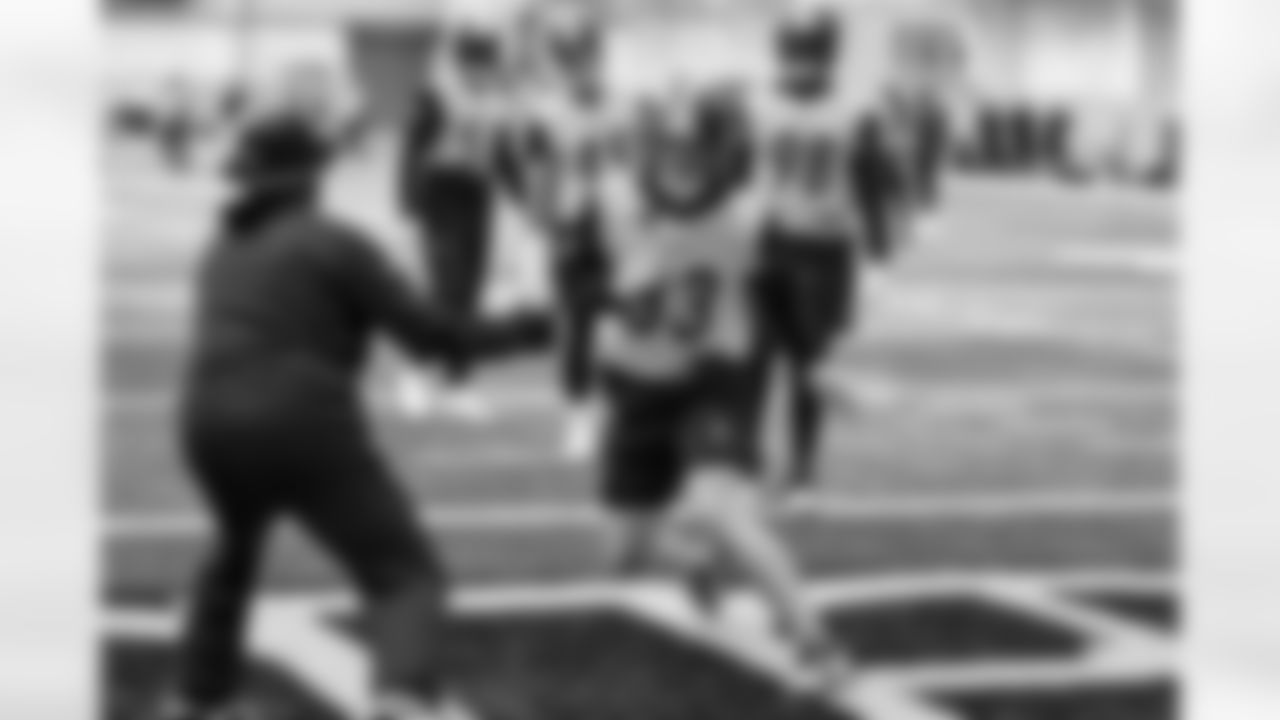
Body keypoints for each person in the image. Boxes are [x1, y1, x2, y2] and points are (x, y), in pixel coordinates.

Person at [159, 115, 550, 720]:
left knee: (234, 551)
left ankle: (198, 698)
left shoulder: (222, 247)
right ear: (313, 176)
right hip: (299, 418)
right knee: (404, 576)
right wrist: (529, 329)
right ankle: (402, 697)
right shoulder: (334, 242)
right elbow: (431, 336)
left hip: (204, 423)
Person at [592, 86, 854, 697]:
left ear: (724, 157)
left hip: (715, 380)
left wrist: (814, 366)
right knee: (620, 554)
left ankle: (815, 641)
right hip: (638, 387)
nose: (681, 167)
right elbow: (579, 278)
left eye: (695, 154)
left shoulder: (750, 221)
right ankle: (695, 562)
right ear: (648, 151)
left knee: (721, 508)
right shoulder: (613, 205)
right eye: (670, 152)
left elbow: (783, 298)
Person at [754, 6, 912, 494]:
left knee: (810, 365)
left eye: (812, 54)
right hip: (766, 243)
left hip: (823, 250)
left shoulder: (854, 113)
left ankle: (802, 468)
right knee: (751, 359)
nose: (802, 65)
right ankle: (748, 462)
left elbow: (875, 184)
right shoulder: (758, 106)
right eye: (796, 54)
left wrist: (880, 258)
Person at [516, 8, 624, 460]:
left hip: (624, 229)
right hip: (574, 230)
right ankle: (579, 417)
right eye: (572, 59)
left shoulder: (626, 107)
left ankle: (628, 414)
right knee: (578, 329)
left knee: (634, 327)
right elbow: (538, 181)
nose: (582, 67)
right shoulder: (546, 115)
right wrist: (545, 227)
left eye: (587, 56)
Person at [396, 26, 519, 422]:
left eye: (488, 66)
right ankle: (414, 372)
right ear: (461, 63)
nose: (482, 73)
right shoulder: (435, 95)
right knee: (444, 290)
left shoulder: (497, 99)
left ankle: (458, 383)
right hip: (440, 194)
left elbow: (502, 154)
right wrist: (408, 200)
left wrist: (529, 201)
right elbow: (412, 147)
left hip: (477, 196)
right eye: (476, 65)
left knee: (469, 293)